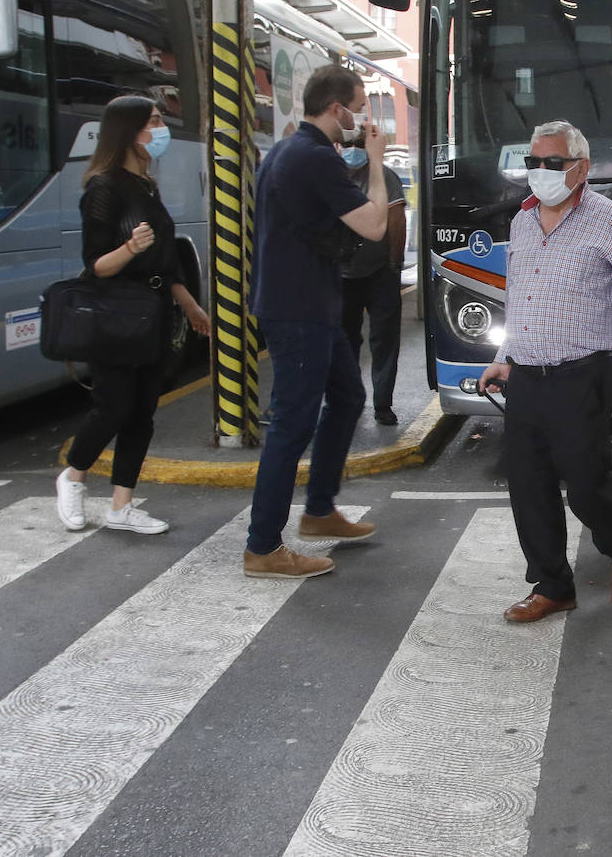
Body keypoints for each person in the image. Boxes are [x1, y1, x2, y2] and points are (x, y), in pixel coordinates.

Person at [477, 119, 612, 622]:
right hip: (526, 375)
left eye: (553, 162)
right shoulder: (522, 221)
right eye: (533, 162)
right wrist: (504, 356)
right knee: (528, 484)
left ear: (581, 168)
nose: (540, 171)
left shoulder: (608, 219)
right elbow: (519, 297)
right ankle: (552, 586)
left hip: (581, 375)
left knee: (586, 485)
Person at [243, 65, 390, 579]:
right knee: (292, 425)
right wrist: (376, 163)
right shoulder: (313, 156)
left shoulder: (288, 150)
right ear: (336, 109)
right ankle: (263, 547)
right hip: (299, 309)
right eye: (358, 108)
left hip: (309, 305)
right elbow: (374, 225)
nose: (362, 120)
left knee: (348, 397)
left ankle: (320, 509)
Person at [56, 95, 210, 535]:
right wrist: (129, 248)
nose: (162, 130)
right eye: (154, 122)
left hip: (153, 314)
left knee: (142, 411)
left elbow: (164, 263)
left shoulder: (147, 186)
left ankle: (121, 506)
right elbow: (95, 265)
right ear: (129, 131)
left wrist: (190, 305)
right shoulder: (103, 188)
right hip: (116, 314)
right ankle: (73, 476)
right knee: (113, 407)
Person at [338, 142, 407, 426]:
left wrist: (394, 264)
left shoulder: (384, 175)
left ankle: (382, 403)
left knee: (384, 339)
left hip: (380, 271)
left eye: (358, 145)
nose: (352, 150)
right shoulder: (332, 175)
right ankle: (349, 399)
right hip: (341, 274)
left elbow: (396, 219)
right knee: (345, 340)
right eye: (348, 145)